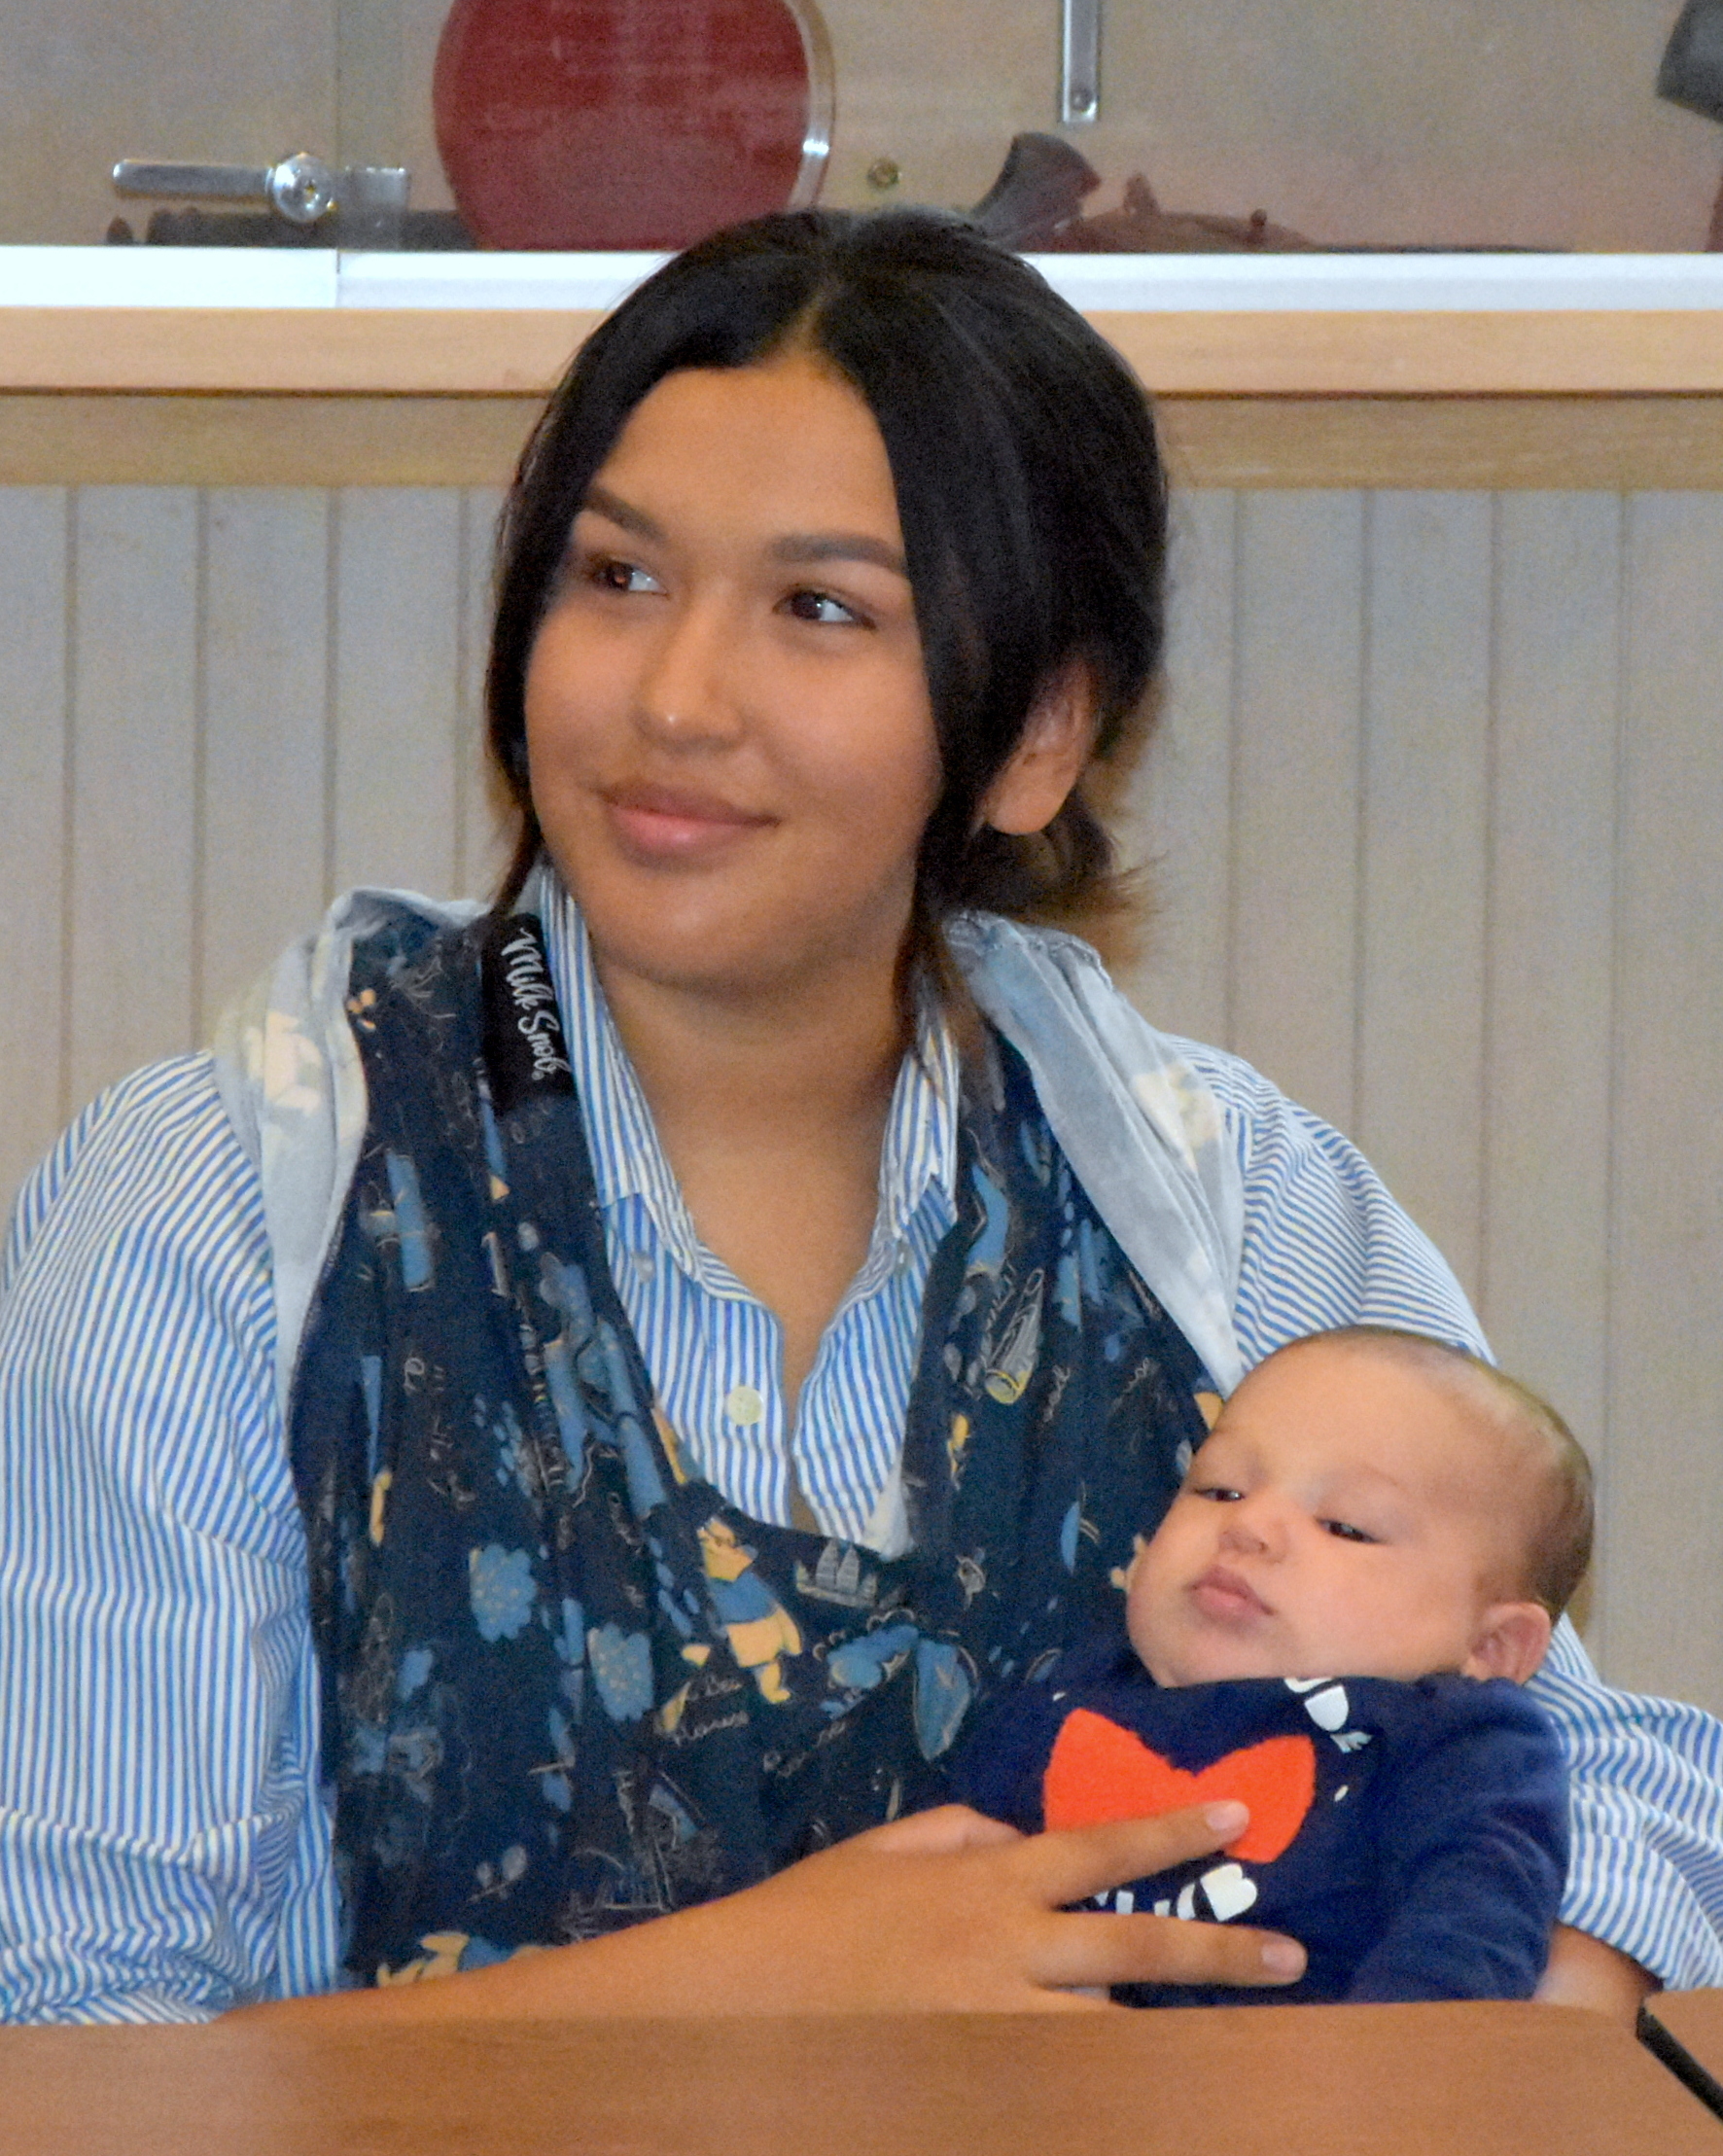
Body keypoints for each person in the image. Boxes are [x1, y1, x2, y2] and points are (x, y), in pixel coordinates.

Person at [0, 209, 1719, 2028]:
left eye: (820, 608)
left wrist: (1475, 2021)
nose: (675, 699)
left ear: (1037, 732)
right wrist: (743, 2000)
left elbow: (1600, 1772)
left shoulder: (1226, 1202)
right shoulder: (220, 1204)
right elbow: (67, 2035)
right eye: (617, 576)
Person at [956, 1325, 1589, 2003]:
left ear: (1490, 1649)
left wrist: (1383, 2063)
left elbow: (1465, 1951)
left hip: (1322, 2065)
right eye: (1220, 1490)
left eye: (1345, 1525)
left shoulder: (1457, 1750)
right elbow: (931, 1895)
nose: (1248, 1526)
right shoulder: (1053, 1708)